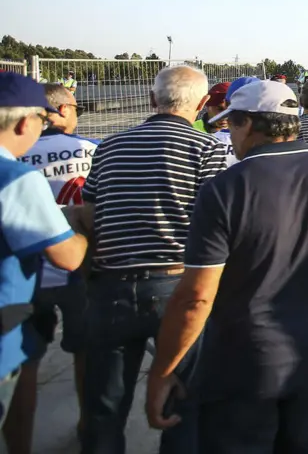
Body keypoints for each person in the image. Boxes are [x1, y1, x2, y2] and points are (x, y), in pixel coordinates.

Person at [145, 80, 308, 453]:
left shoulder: (223, 190)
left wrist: (163, 371)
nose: (229, 135)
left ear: (248, 125)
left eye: (231, 125)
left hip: (244, 363)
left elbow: (196, 298)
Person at [79, 64, 227, 453]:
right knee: (183, 401)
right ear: (202, 104)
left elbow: (90, 215)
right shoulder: (207, 149)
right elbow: (213, 224)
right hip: (176, 286)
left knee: (103, 407)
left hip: (111, 286)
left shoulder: (109, 146)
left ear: (151, 100)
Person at [6, 84, 95, 452]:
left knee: (26, 365)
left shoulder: (18, 160)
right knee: (86, 351)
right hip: (76, 266)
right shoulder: (92, 149)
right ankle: (89, 426)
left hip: (29, 275)